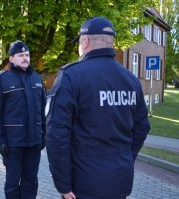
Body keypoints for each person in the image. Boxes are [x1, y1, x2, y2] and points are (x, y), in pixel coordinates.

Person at [46, 16, 150, 199]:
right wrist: (125, 158)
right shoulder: (131, 79)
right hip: (120, 181)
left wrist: (62, 183)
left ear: (84, 41)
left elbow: (56, 134)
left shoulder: (71, 76)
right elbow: (142, 127)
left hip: (83, 185)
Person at [0, 40, 46, 199]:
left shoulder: (37, 78)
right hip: (13, 144)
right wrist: (0, 140)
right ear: (11, 59)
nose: (25, 58)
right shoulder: (3, 80)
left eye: (27, 55)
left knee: (31, 182)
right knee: (12, 184)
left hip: (34, 143)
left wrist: (44, 134)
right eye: (21, 55)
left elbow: (43, 110)